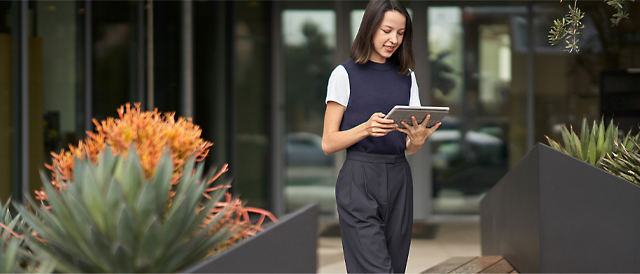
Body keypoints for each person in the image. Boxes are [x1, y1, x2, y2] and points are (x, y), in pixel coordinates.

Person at [321, 0, 441, 273]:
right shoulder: (344, 75)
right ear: (370, 28)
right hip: (359, 179)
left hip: (399, 177)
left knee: (394, 269)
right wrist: (365, 128)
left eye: (400, 33)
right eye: (387, 30)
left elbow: (408, 147)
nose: (393, 39)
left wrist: (418, 139)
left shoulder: (407, 77)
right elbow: (328, 143)